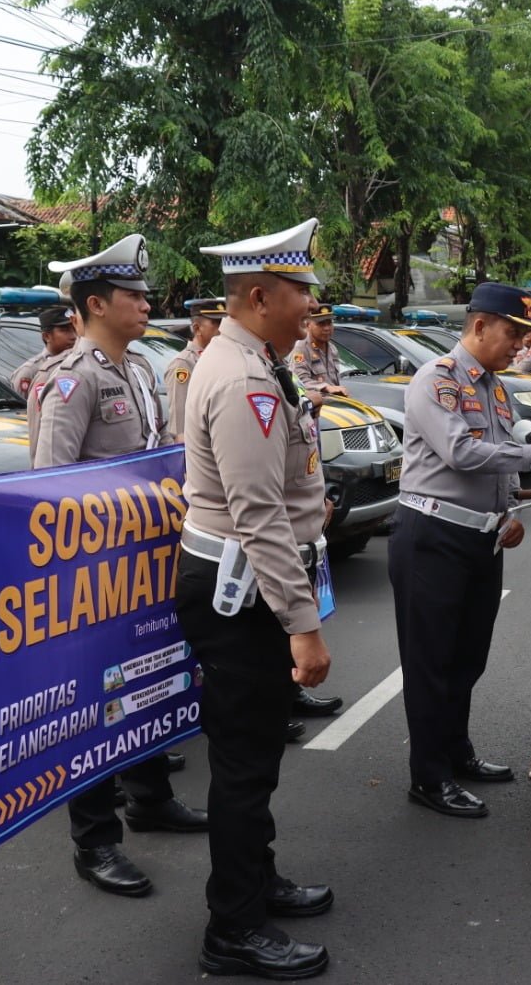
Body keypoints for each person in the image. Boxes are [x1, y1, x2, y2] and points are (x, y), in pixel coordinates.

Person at [175, 218, 337, 979]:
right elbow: (256, 513)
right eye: (300, 289)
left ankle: (255, 883)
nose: (309, 302)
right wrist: (302, 626)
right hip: (240, 592)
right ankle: (232, 928)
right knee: (242, 765)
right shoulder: (241, 376)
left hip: (247, 583)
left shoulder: (259, 361)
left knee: (258, 755)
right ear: (259, 292)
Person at [30, 234, 209, 897]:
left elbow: (158, 454)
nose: (145, 303)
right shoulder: (71, 379)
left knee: (150, 678)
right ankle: (94, 839)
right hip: (93, 574)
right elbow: (50, 484)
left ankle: (152, 798)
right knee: (96, 697)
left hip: (144, 564)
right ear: (96, 303)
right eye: (133, 295)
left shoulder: (136, 369)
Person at [390, 282, 531, 819]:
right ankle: (428, 778)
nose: (521, 346)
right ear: (479, 327)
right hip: (432, 538)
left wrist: (510, 512)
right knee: (431, 663)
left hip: (480, 538)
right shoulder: (438, 380)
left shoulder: (495, 387)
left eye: (526, 337)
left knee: (467, 659)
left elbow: (495, 461)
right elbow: (460, 450)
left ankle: (456, 753)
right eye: (513, 333)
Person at [165, 297, 224, 440]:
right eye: (216, 323)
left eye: (224, 322)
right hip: (200, 447)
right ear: (197, 328)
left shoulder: (220, 358)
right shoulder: (184, 364)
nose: (222, 329)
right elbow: (179, 423)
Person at [8, 304, 77, 397]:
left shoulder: (79, 364)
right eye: (65, 330)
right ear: (47, 336)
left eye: (75, 329)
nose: (73, 336)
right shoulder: (30, 371)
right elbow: (19, 410)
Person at [289, 303, 348, 409]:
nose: (327, 328)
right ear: (308, 325)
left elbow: (335, 382)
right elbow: (298, 381)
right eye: (321, 324)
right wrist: (326, 387)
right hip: (314, 408)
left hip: (335, 406)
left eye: (329, 323)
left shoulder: (332, 349)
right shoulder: (301, 348)